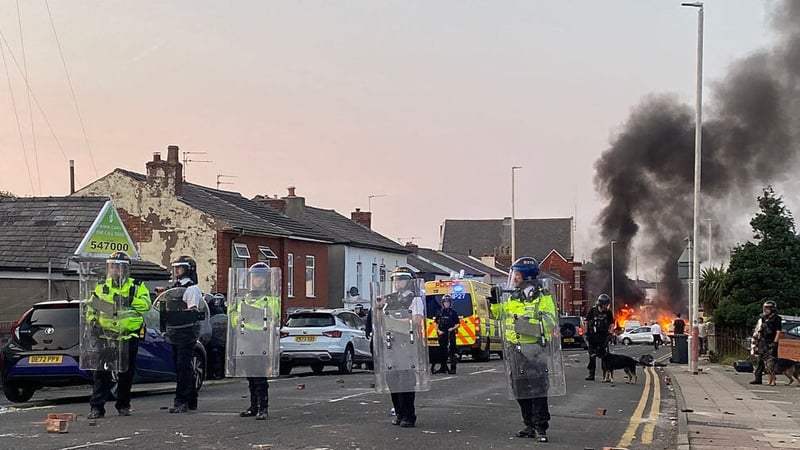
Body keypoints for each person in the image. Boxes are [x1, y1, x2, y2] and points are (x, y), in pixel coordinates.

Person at [492, 257, 558, 442]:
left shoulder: (543, 296)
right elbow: (500, 315)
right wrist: (494, 301)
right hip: (515, 348)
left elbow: (549, 322)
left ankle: (540, 427)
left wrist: (524, 324)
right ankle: (528, 423)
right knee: (519, 388)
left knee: (537, 389)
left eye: (517, 274)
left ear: (527, 276)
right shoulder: (513, 296)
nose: (515, 278)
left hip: (534, 348)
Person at [86, 251, 151, 419]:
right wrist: (92, 321)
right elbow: (92, 307)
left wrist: (129, 300)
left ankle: (123, 405)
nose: (114, 270)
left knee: (126, 374)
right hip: (106, 336)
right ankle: (97, 407)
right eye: (111, 266)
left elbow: (146, 305)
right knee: (101, 373)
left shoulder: (136, 286)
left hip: (129, 336)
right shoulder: (102, 286)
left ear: (125, 269)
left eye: (118, 267)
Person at [374, 266, 425, 428]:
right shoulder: (389, 299)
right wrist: (379, 309)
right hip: (390, 343)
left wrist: (393, 323)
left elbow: (415, 321)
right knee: (392, 381)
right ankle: (399, 412)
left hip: (407, 343)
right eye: (396, 280)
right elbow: (381, 322)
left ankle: (409, 415)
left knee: (406, 380)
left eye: (402, 279)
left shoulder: (414, 299)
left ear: (409, 282)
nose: (398, 283)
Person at [231, 263, 281, 420]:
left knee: (260, 375)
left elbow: (275, 317)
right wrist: (236, 319)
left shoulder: (270, 299)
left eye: (259, 278)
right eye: (253, 277)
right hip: (246, 340)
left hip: (261, 340)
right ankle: (253, 406)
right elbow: (233, 318)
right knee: (250, 375)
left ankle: (263, 408)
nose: (256, 280)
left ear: (265, 280)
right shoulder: (243, 299)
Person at [166, 255, 203, 413]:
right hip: (175, 330)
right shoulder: (176, 287)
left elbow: (192, 310)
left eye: (180, 267)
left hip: (187, 331)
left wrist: (178, 312)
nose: (177, 270)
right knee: (182, 367)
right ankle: (191, 399)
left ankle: (181, 400)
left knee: (183, 367)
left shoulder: (191, 288)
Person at [750, 300, 782, 385]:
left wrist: (775, 342)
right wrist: (758, 340)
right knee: (761, 360)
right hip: (763, 341)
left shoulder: (777, 319)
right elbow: (761, 329)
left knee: (772, 361)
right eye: (765, 308)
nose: (766, 310)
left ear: (773, 309)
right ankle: (758, 378)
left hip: (771, 341)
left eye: (768, 308)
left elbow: (778, 331)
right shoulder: (764, 318)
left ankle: (773, 379)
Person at [584, 294, 614, 381]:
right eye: (605, 304)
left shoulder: (608, 313)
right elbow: (586, 321)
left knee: (605, 357)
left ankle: (606, 376)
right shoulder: (592, 311)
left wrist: (610, 333)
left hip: (603, 337)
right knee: (592, 356)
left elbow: (612, 323)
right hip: (593, 336)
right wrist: (586, 333)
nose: (607, 306)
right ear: (601, 304)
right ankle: (591, 374)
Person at [433, 294, 460, 374]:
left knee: (452, 351)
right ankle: (443, 367)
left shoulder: (453, 313)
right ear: (443, 303)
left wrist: (452, 328)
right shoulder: (440, 312)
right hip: (442, 334)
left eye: (448, 302)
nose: (447, 304)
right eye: (445, 302)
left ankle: (453, 368)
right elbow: (436, 323)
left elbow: (458, 323)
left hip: (450, 333)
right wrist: (438, 330)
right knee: (442, 351)